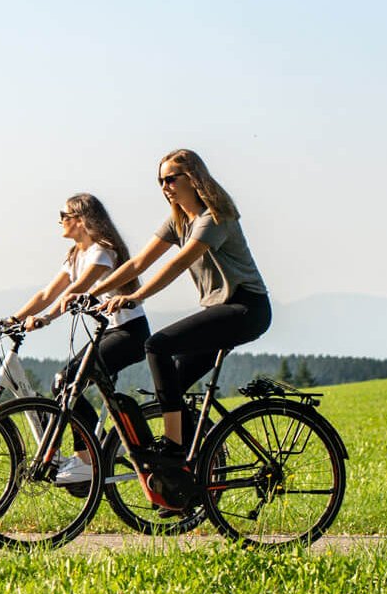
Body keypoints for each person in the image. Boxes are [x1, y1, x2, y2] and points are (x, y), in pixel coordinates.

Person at [73, 149, 270, 506]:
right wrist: (93, 292)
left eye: (170, 178)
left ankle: (175, 450)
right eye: (160, 181)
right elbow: (138, 263)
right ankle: (186, 483)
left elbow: (178, 264)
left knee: (157, 345)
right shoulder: (178, 221)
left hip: (245, 308)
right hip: (221, 309)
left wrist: (136, 296)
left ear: (193, 178)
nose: (164, 186)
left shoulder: (214, 218)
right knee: (174, 382)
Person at [0, 193, 150, 484]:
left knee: (66, 382)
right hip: (108, 332)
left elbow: (78, 290)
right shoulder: (76, 255)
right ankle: (98, 450)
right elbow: (47, 293)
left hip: (129, 333)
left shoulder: (102, 252)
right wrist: (13, 319)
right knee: (64, 384)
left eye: (63, 216)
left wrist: (47, 318)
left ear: (81, 219)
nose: (60, 221)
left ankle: (87, 459)